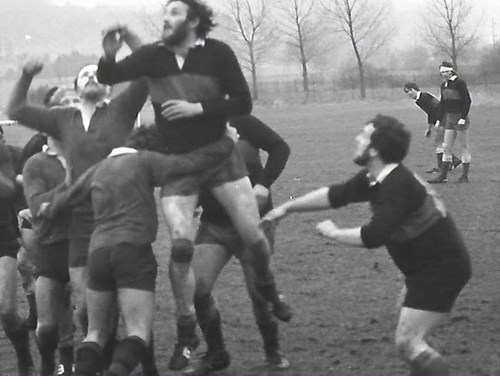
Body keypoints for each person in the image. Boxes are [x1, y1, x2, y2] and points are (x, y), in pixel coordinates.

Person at [95, 1, 287, 369]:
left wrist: (197, 109)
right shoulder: (154, 56)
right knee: (180, 244)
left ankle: (267, 287)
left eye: (174, 13)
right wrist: (107, 55)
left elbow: (243, 101)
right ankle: (187, 328)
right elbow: (109, 77)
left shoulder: (218, 53)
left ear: (194, 21)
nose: (165, 18)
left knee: (254, 235)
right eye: (164, 13)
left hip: (219, 156)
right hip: (178, 164)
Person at [263, 114, 472, 376]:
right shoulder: (378, 177)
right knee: (410, 337)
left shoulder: (396, 185)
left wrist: (333, 232)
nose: (356, 139)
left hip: (440, 270)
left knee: (408, 342)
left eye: (362, 135)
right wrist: (287, 208)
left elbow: (374, 235)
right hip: (423, 269)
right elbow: (336, 194)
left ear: (374, 149)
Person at [39, 125, 239, 376]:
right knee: (138, 331)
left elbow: (63, 200)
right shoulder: (144, 160)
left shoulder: (97, 169)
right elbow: (191, 163)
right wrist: (227, 142)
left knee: (95, 333)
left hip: (97, 254)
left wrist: (45, 207)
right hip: (132, 252)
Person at [6, 56, 149, 343]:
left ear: (108, 89)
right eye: (85, 76)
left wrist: (116, 59)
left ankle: (127, 356)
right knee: (84, 310)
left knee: (127, 303)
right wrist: (25, 75)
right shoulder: (58, 129)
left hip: (119, 220)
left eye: (98, 75)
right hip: (76, 232)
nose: (92, 78)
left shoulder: (118, 114)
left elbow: (147, 77)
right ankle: (94, 352)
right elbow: (17, 109)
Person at [185, 115, 291, 375]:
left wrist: (264, 185)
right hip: (213, 225)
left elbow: (280, 148)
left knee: (259, 295)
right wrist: (192, 202)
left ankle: (272, 350)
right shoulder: (187, 129)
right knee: (198, 289)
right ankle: (217, 353)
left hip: (252, 222)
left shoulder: (240, 120)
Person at [20, 86, 82, 376]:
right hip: (52, 253)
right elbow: (37, 206)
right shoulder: (36, 163)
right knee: (46, 326)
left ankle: (70, 365)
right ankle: (48, 365)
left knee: (89, 316)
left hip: (86, 247)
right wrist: (70, 184)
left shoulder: (89, 155)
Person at [0, 125, 35, 376]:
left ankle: (24, 356)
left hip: (3, 238)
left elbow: (15, 192)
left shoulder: (10, 157)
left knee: (7, 310)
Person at [428, 61, 472, 184]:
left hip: (460, 119)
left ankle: (464, 176)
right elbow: (443, 103)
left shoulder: (460, 83)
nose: (444, 74)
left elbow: (467, 100)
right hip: (449, 119)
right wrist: (438, 119)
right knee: (446, 147)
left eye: (446, 71)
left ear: (451, 71)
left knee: (464, 147)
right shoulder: (443, 85)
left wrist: (463, 117)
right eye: (442, 72)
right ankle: (443, 176)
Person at [403, 82, 461, 174]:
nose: (409, 93)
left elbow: (437, 107)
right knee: (440, 143)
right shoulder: (418, 100)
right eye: (406, 92)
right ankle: (451, 162)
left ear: (416, 89)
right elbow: (430, 113)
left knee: (439, 143)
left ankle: (445, 165)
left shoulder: (424, 97)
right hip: (441, 119)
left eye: (410, 90)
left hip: (444, 118)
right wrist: (429, 128)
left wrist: (438, 121)